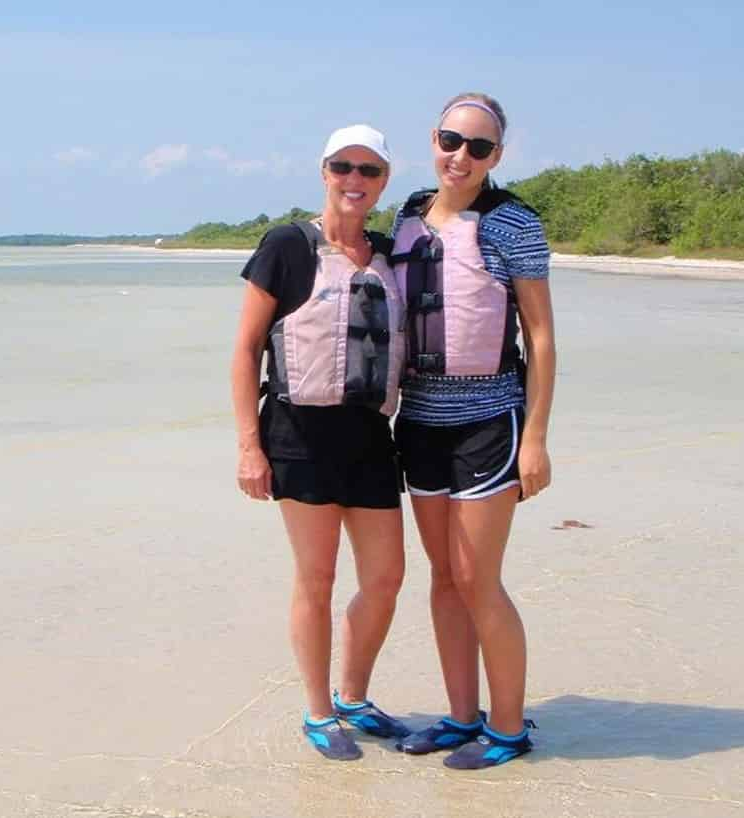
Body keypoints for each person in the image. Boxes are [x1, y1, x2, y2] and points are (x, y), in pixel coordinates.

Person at [231, 125, 410, 761]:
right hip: (299, 434)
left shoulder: (390, 255)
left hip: (368, 436)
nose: (354, 180)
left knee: (387, 577)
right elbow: (247, 348)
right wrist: (249, 447)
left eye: (369, 170)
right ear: (324, 171)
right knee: (318, 575)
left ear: (384, 178)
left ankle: (354, 696)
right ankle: (318, 710)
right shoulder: (287, 245)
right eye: (343, 167)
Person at [390, 93, 556, 769]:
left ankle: (509, 729)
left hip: (488, 421)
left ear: (496, 157)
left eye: (479, 147)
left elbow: (541, 337)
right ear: (434, 138)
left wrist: (537, 436)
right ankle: (461, 715)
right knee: (442, 577)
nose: (462, 156)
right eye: (452, 140)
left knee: (477, 578)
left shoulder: (511, 224)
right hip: (420, 421)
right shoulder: (406, 216)